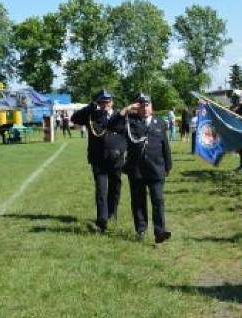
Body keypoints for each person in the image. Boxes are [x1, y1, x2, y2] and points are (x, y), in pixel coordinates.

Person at [110, 93, 172, 244]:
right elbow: (111, 125)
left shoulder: (160, 123)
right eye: (142, 105)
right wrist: (127, 108)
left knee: (158, 199)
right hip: (136, 168)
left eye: (147, 105)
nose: (145, 108)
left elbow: (165, 145)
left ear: (152, 107)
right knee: (138, 201)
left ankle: (160, 232)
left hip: (156, 168)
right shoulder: (130, 122)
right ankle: (141, 230)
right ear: (137, 107)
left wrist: (168, 165)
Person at [71, 90, 126, 233]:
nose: (105, 104)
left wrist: (121, 150)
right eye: (102, 102)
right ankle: (102, 220)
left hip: (116, 158)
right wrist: (91, 106)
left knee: (115, 187)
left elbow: (125, 134)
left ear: (112, 102)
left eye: (107, 102)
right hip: (98, 158)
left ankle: (112, 213)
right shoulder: (92, 115)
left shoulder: (119, 115)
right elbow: (74, 118)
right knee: (101, 189)